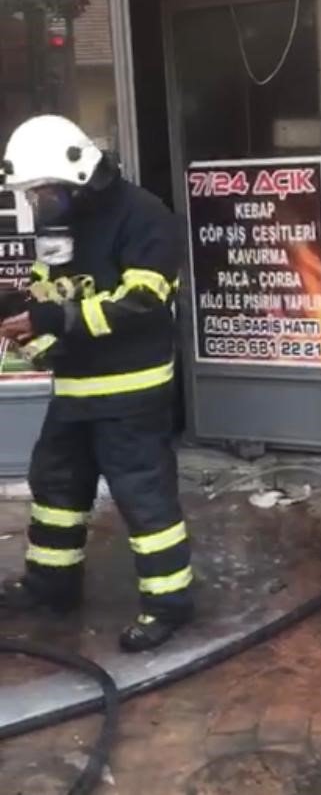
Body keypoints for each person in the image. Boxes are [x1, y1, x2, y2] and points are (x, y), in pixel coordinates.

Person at [0, 115, 194, 652]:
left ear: (77, 171)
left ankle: (168, 603)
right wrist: (22, 309)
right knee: (56, 486)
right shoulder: (66, 221)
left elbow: (142, 301)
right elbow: (52, 285)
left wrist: (56, 321)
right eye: (32, 193)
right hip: (77, 389)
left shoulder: (145, 217)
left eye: (43, 190)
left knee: (144, 499)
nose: (39, 202)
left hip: (132, 392)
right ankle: (51, 585)